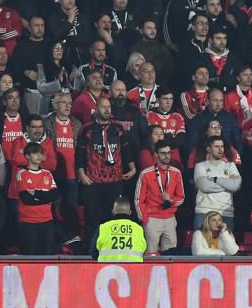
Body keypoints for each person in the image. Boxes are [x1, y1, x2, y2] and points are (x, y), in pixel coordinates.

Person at [76, 96, 136, 253]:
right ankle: (90, 252)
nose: (107, 109)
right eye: (103, 107)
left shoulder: (118, 128)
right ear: (96, 109)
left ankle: (110, 250)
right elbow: (80, 154)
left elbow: (126, 149)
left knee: (113, 218)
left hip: (115, 180)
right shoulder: (86, 129)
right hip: (93, 181)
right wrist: (81, 173)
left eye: (108, 107)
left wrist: (132, 167)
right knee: (92, 219)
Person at [133, 141, 184, 254]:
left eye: (169, 153)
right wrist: (144, 219)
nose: (167, 156)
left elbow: (181, 197)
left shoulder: (176, 173)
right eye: (163, 153)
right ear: (156, 155)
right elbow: (138, 199)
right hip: (152, 219)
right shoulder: (146, 174)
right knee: (151, 253)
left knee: (171, 253)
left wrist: (171, 200)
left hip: (170, 218)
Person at [14, 142, 61, 255]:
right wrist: (46, 198)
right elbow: (26, 199)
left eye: (40, 153)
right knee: (29, 257)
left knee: (46, 256)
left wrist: (35, 193)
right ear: (27, 156)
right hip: (28, 222)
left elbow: (55, 196)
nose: (39, 156)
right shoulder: (22, 174)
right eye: (35, 153)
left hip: (47, 221)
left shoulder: (48, 174)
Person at [95, 196, 146, 262]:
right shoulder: (138, 229)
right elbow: (143, 251)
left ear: (113, 212)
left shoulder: (103, 227)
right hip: (134, 270)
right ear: (130, 212)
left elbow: (94, 253)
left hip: (107, 270)